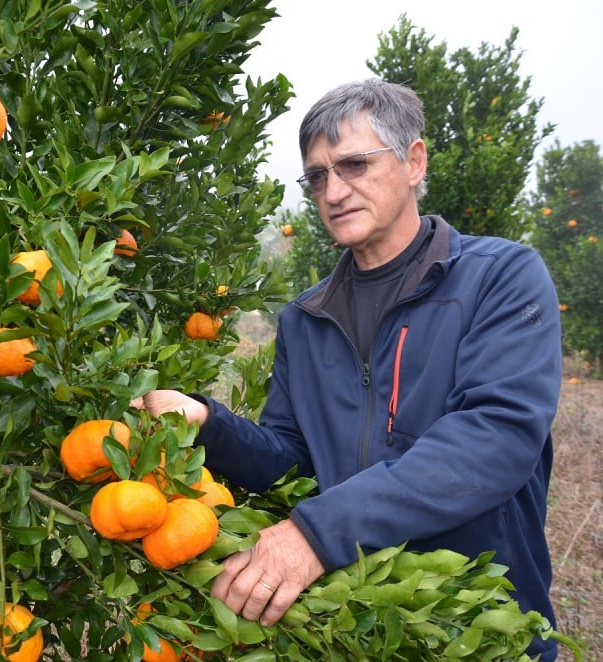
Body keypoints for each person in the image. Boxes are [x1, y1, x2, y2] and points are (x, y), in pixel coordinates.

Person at [135, 78, 561, 660]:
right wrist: (208, 423)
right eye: (317, 176)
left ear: (414, 162)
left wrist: (315, 534)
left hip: (481, 622)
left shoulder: (500, 278)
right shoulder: (306, 319)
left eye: (355, 165)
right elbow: (292, 461)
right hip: (355, 624)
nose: (334, 191)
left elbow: (493, 438)